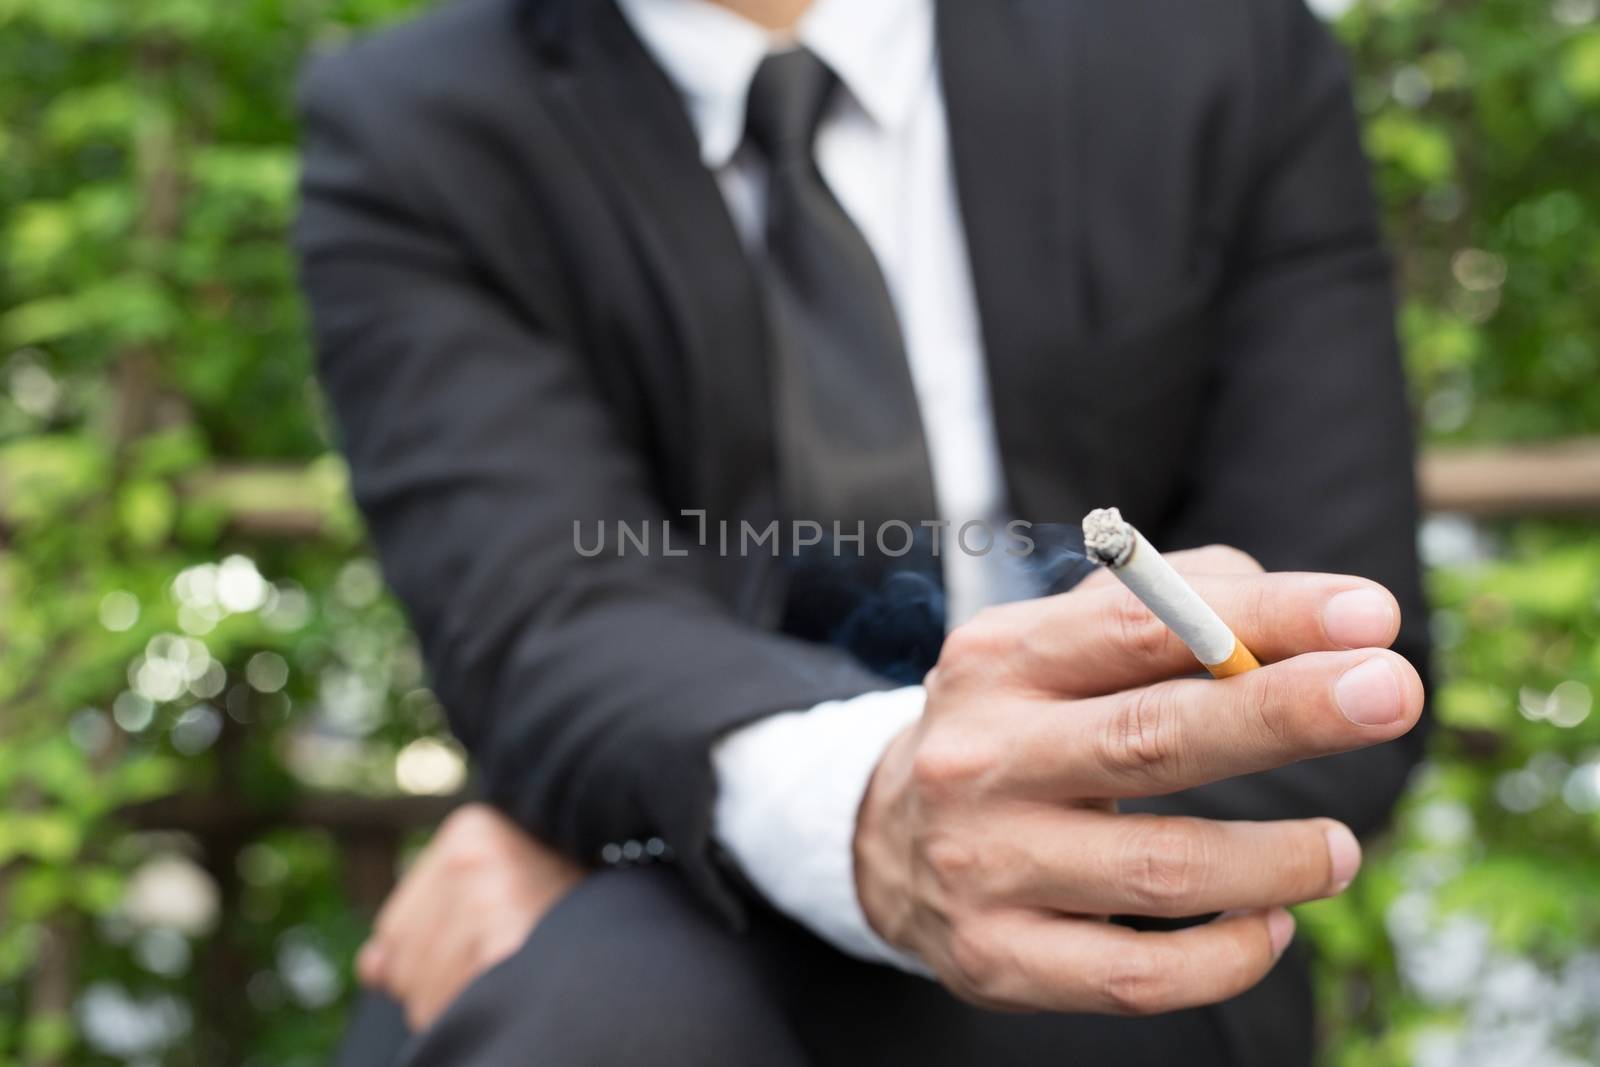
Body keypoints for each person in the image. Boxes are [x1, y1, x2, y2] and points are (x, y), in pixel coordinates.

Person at [295, 0, 1431, 1062]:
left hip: (1123, 903)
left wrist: (1008, 825)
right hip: (666, 854)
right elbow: (542, 609)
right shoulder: (419, 123)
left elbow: (1332, 642)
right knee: (594, 1010)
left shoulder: (1212, 43)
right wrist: (849, 818)